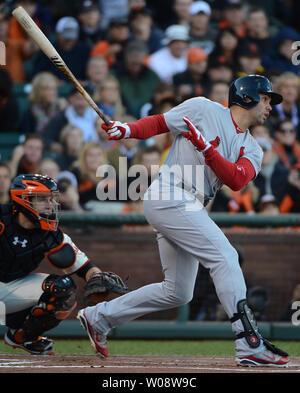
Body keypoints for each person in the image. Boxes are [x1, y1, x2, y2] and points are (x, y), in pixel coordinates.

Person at [78, 74, 290, 367]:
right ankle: (247, 340)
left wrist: (207, 148)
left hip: (191, 203)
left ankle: (98, 317)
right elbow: (159, 123)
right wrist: (125, 129)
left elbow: (237, 179)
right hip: (170, 192)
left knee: (177, 292)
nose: (270, 106)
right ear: (247, 97)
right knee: (226, 256)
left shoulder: (253, 147)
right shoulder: (203, 108)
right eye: (266, 99)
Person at [0, 173, 126, 355]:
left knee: (63, 288)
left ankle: (23, 337)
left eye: (51, 199)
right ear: (23, 199)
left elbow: (84, 267)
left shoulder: (50, 233)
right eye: (43, 199)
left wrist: (97, 278)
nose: (50, 205)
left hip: (9, 288)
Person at [32, 17, 91, 81]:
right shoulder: (46, 51)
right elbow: (38, 76)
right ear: (57, 34)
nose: (69, 40)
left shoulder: (84, 50)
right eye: (66, 37)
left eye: (71, 37)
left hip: (77, 89)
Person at [112, 40, 161, 118]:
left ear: (144, 58)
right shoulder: (115, 75)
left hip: (148, 118)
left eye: (138, 61)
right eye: (132, 58)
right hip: (121, 117)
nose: (135, 59)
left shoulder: (152, 76)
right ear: (126, 57)